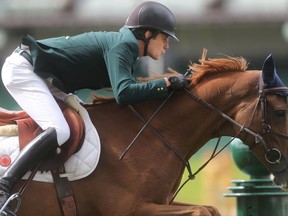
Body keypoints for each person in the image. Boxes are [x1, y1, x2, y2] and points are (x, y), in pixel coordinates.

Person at [0, 1, 186, 214]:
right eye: (164, 38)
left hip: (44, 77)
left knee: (80, 119)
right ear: (146, 34)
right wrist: (166, 84)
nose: (167, 45)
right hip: (25, 70)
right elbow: (124, 94)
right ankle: (3, 187)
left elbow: (131, 94)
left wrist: (170, 88)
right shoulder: (123, 46)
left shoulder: (125, 49)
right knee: (60, 130)